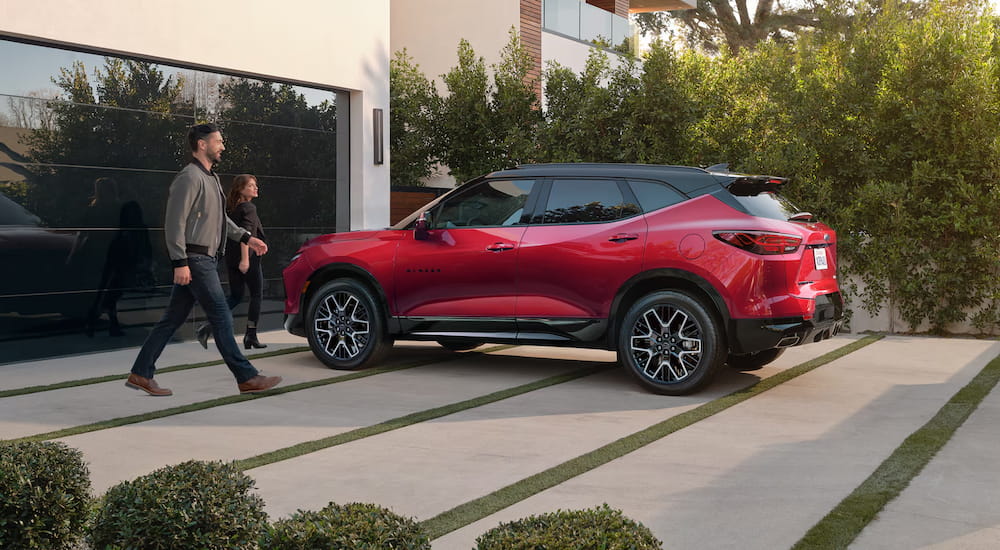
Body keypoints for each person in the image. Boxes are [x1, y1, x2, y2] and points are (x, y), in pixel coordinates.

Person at [125, 123, 281, 396]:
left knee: (171, 320)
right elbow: (174, 222)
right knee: (221, 316)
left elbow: (221, 220)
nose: (223, 146)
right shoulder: (189, 177)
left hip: (203, 259)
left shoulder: (211, 179)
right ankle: (246, 377)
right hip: (195, 259)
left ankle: (141, 373)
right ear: (201, 144)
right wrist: (179, 262)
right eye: (218, 141)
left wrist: (247, 238)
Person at [196, 174, 268, 350]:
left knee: (235, 296)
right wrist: (245, 260)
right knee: (256, 295)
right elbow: (246, 234)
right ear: (240, 189)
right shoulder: (249, 207)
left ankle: (208, 327)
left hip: (231, 258)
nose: (255, 188)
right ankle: (250, 335)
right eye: (251, 185)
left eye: (255, 185)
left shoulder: (231, 209)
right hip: (248, 259)